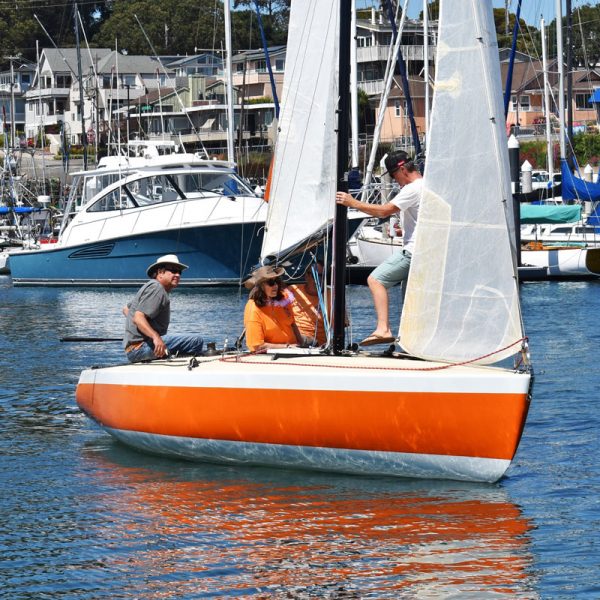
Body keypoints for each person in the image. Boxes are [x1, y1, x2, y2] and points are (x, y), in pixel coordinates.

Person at [335, 150, 423, 346]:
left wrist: (352, 202)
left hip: (413, 251)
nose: (393, 181)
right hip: (425, 252)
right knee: (411, 298)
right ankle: (413, 343)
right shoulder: (428, 186)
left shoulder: (412, 189)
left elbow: (384, 211)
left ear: (402, 169)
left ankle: (383, 329)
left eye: (393, 176)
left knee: (375, 280)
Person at [123, 254, 204, 362]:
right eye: (173, 271)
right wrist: (155, 337)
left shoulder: (151, 287)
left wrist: (138, 331)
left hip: (133, 350)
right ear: (160, 273)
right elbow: (138, 318)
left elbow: (126, 309)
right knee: (196, 341)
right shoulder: (157, 288)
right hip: (140, 349)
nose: (177, 275)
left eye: (179, 272)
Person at [243, 265, 303, 352]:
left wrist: (301, 344)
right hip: (274, 353)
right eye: (271, 282)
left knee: (315, 342)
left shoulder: (284, 299)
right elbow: (257, 346)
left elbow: (293, 324)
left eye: (277, 281)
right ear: (261, 286)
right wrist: (288, 347)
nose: (275, 286)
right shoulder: (253, 308)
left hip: (295, 349)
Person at [288, 260, 328, 347]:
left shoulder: (331, 296)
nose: (319, 279)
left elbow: (342, 325)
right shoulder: (292, 291)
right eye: (315, 275)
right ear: (306, 276)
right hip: (296, 340)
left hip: (319, 345)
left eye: (322, 276)